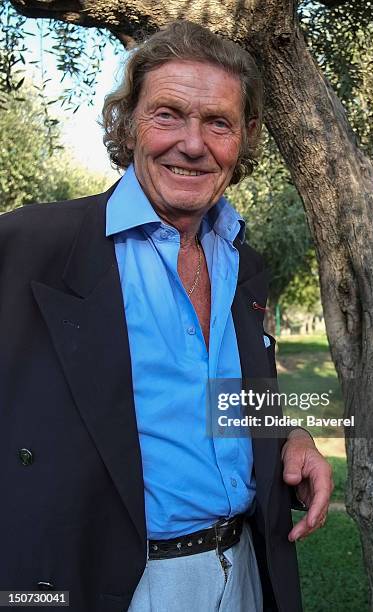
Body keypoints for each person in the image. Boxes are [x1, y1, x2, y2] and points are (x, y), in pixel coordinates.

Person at [0, 20, 333, 612]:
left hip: (247, 573)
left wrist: (292, 435)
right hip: (113, 584)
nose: (193, 143)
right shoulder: (31, 247)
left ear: (245, 138)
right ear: (128, 124)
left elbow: (219, 395)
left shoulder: (242, 260)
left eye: (218, 123)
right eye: (168, 114)